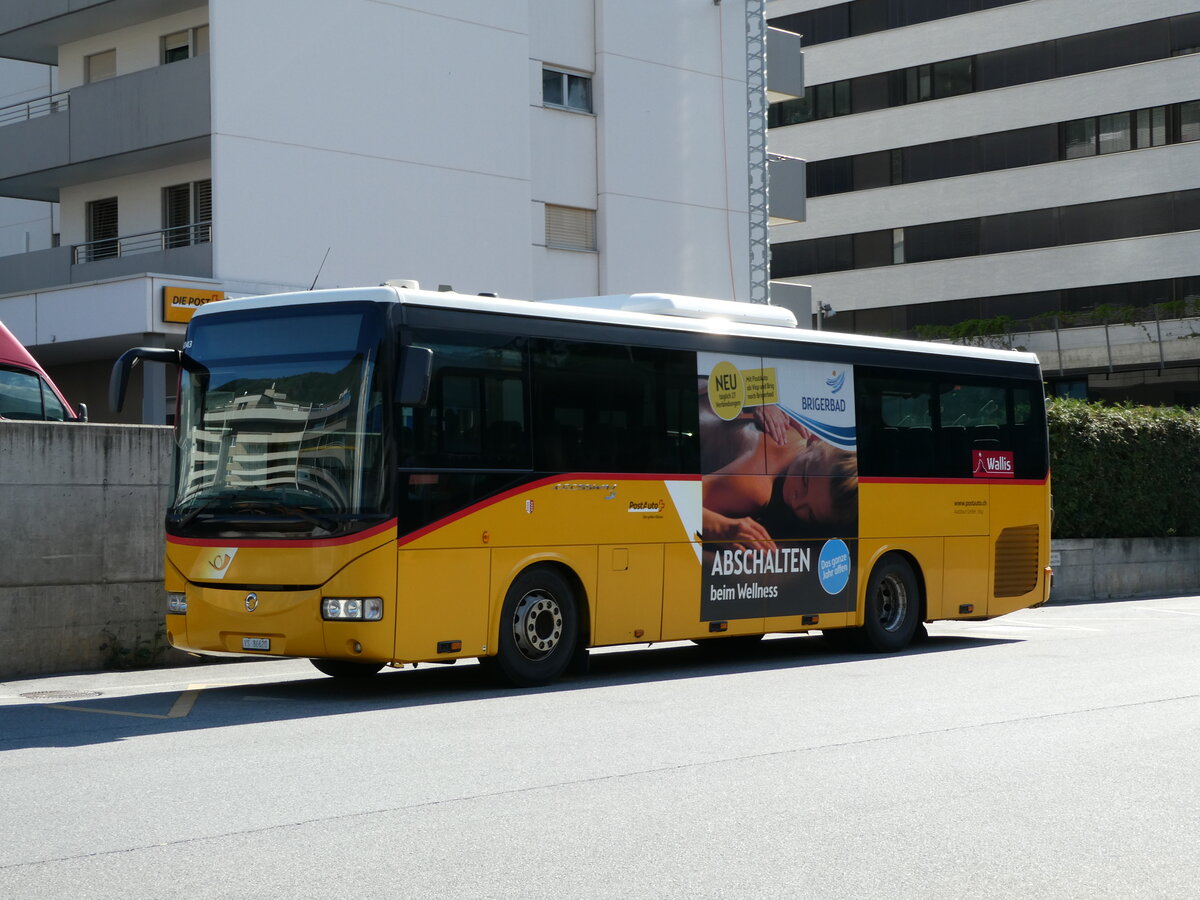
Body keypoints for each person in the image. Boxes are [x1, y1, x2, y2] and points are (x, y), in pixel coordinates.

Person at [702, 412, 857, 551]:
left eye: (809, 513)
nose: (797, 501)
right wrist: (720, 526)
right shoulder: (755, 488)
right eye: (804, 481)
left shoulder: (795, 421)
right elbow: (681, 504)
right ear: (815, 439)